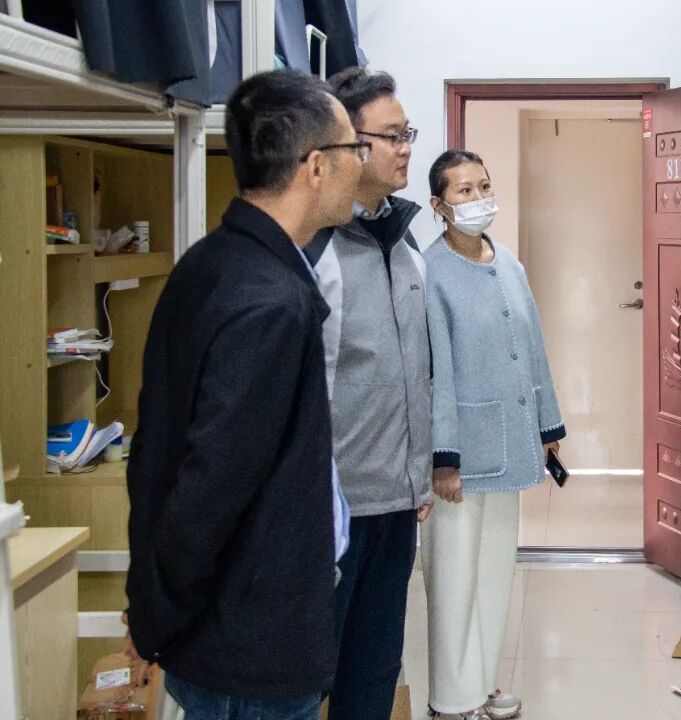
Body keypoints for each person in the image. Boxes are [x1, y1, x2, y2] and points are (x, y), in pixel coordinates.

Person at [124, 69, 368, 719]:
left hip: (228, 633)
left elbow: (161, 451)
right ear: (316, 166)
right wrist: (155, 615)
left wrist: (151, 602)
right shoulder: (271, 303)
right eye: (354, 149)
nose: (362, 163)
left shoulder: (212, 262)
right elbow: (210, 488)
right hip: (247, 646)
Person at [307, 67, 433, 720]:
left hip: (398, 504)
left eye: (408, 133)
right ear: (349, 144)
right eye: (393, 136)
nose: (407, 148)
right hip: (333, 511)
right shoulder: (316, 247)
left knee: (375, 672)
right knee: (310, 680)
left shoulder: (405, 244)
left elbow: (416, 370)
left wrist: (422, 473)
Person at [422, 150, 566, 720]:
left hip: (511, 445)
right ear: (439, 205)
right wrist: (443, 458)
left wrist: (547, 426)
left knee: (493, 576)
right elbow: (435, 372)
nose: (478, 198)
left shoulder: (508, 264)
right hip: (460, 456)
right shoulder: (431, 272)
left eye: (483, 185)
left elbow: (532, 347)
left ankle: (479, 689)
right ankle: (449, 702)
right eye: (463, 191)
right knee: (453, 581)